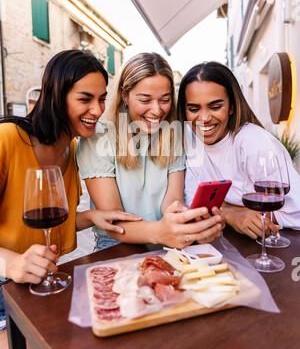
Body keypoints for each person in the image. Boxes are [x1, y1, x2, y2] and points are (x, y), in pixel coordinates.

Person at [0, 49, 141, 290]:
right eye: (85, 99)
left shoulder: (74, 148)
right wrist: (11, 264)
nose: (97, 110)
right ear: (57, 96)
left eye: (101, 99)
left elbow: (49, 217)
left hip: (37, 281)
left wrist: (92, 217)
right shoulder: (7, 139)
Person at [77, 52, 223, 250]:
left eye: (164, 99)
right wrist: (162, 232)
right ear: (125, 95)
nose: (157, 110)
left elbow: (172, 202)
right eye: (145, 100)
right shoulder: (97, 139)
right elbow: (114, 223)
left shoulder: (173, 135)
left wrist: (186, 221)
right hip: (116, 245)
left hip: (165, 241)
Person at [177, 61, 300, 239]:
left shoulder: (254, 142)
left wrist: (246, 215)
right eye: (193, 109)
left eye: (215, 106)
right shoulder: (189, 139)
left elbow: (296, 211)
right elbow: (192, 202)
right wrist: (230, 214)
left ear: (232, 107)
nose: (204, 118)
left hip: (276, 243)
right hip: (223, 243)